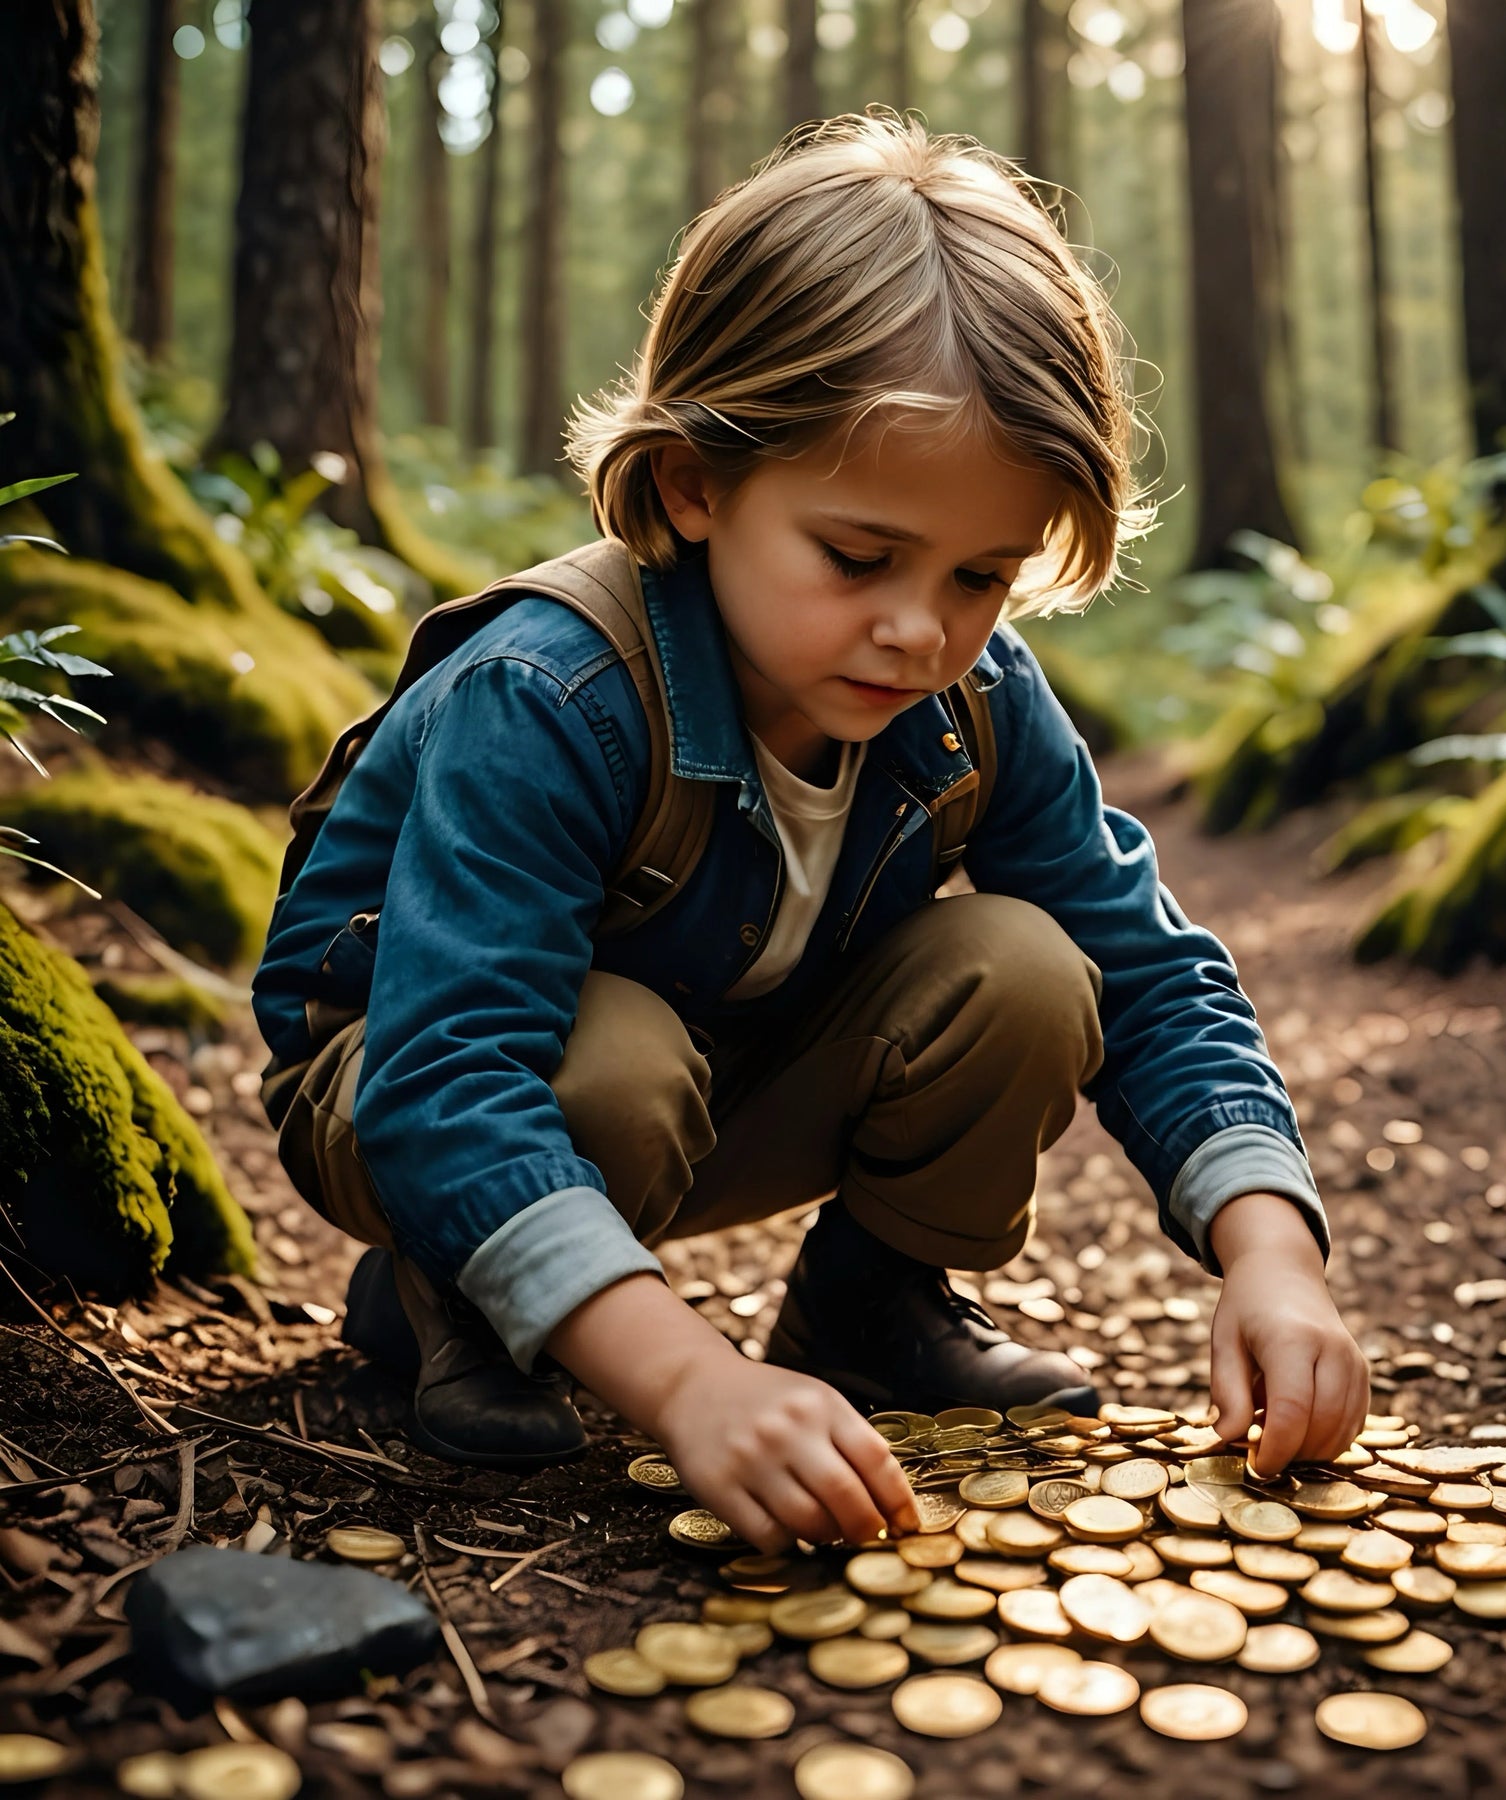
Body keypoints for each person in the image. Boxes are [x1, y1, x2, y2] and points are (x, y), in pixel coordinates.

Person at [252, 111, 1368, 1556]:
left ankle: (870, 1306)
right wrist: (694, 1385)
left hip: (720, 1063)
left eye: (982, 574)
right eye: (859, 558)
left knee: (1025, 969)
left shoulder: (972, 694)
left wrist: (1270, 1251)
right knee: (612, 1062)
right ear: (693, 485)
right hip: (413, 1085)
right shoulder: (546, 696)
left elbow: (1148, 973)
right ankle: (458, 1295)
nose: (921, 628)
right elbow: (447, 1068)